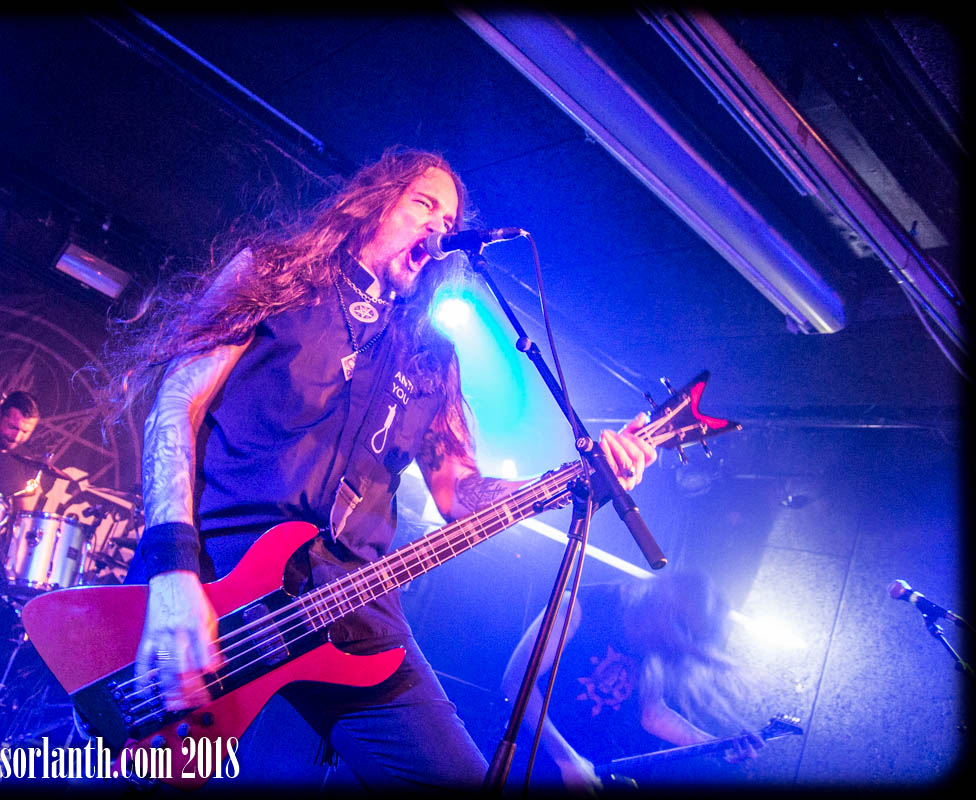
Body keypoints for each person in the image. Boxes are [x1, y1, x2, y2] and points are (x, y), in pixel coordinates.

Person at [102, 148, 657, 788]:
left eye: (449, 221)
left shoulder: (430, 356)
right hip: (219, 572)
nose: (439, 227)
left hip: (351, 599)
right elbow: (177, 405)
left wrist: (567, 483)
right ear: (373, 203)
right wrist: (173, 571)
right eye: (424, 204)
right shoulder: (274, 273)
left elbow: (459, 492)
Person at [501, 571, 761, 791]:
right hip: (527, 756)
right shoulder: (578, 605)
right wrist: (565, 757)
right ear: (656, 608)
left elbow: (652, 714)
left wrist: (713, 745)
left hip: (587, 767)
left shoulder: (653, 639)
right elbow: (517, 681)